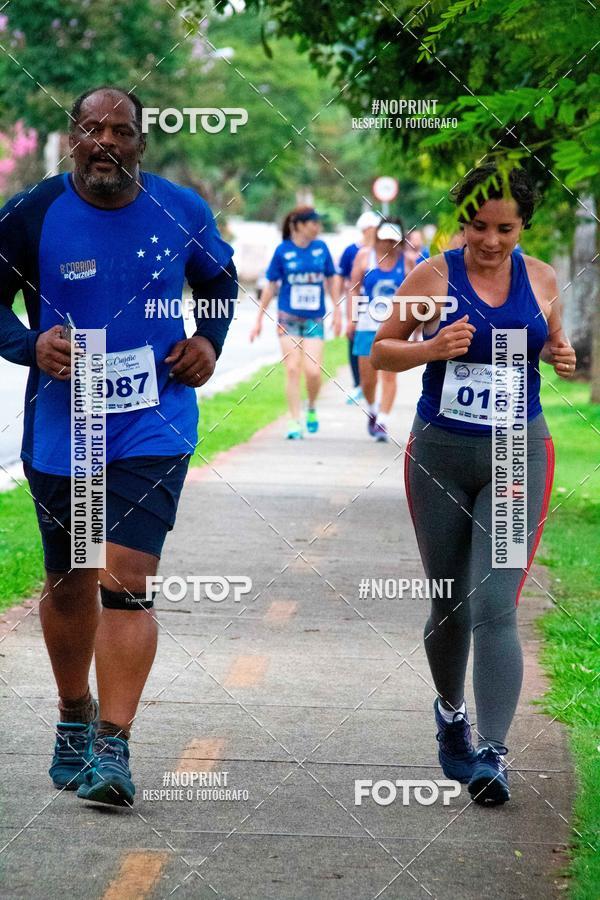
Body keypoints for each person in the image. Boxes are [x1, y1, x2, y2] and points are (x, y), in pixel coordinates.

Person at [0, 86, 237, 806]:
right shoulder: (31, 213)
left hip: (151, 422)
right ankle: (73, 714)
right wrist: (27, 342)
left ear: (141, 142)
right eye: (90, 128)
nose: (105, 140)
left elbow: (220, 280)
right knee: (72, 582)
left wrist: (209, 341)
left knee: (126, 577)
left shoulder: (181, 209)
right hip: (62, 426)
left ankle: (115, 746)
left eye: (121, 130)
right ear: (71, 137)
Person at [371, 164, 575, 805]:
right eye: (478, 226)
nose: (490, 241)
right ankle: (451, 714)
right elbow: (382, 350)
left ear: (524, 226)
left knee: (495, 603)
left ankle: (492, 752)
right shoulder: (433, 276)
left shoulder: (541, 278)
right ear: (463, 222)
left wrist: (561, 356)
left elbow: (554, 344)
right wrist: (430, 350)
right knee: (449, 599)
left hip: (517, 454)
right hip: (441, 451)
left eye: (505, 229)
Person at [250, 207, 341, 439]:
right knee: (292, 368)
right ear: (299, 225)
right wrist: (259, 318)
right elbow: (271, 285)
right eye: (313, 223)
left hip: (314, 319)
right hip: (287, 317)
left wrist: (338, 311)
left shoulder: (321, 249)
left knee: (312, 371)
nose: (317, 227)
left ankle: (311, 406)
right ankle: (294, 421)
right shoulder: (283, 251)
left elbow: (331, 280)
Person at [349, 219, 411, 442]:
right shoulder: (365, 257)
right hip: (367, 324)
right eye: (384, 239)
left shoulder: (407, 262)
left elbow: (415, 295)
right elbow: (354, 288)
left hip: (394, 326)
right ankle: (373, 410)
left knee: (389, 376)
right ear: (377, 238)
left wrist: (413, 324)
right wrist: (352, 318)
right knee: (368, 379)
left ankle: (383, 420)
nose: (388, 244)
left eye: (393, 240)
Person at [337, 210, 381, 403]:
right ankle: (358, 385)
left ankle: (372, 386)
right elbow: (343, 278)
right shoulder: (352, 251)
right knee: (355, 341)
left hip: (379, 305)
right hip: (359, 303)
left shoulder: (384, 250)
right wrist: (341, 307)